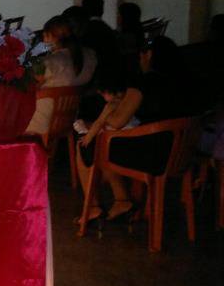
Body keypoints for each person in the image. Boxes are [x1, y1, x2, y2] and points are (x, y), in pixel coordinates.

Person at [75, 36, 186, 224]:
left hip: (152, 152)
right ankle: (122, 200)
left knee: (90, 144)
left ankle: (95, 206)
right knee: (107, 141)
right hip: (180, 151)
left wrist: (103, 115)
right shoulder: (181, 82)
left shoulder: (143, 83)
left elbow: (118, 121)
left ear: (148, 55)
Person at [26, 16, 97, 135]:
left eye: (45, 36)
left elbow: (29, 83)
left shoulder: (51, 62)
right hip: (68, 120)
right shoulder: (90, 57)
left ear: (51, 36)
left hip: (40, 121)